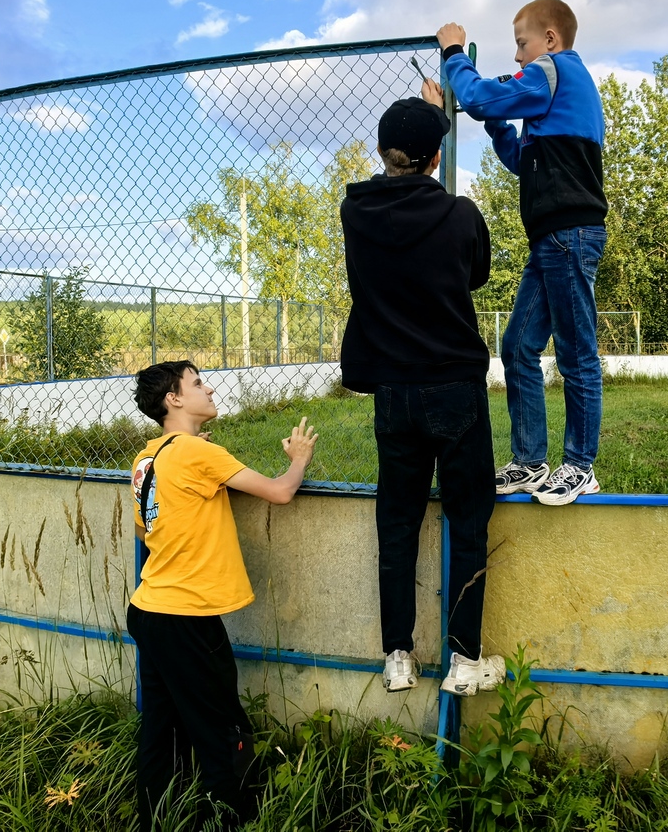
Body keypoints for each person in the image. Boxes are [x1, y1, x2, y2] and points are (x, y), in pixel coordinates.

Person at [338, 96, 505, 698]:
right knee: (468, 518)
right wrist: (445, 114)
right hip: (454, 386)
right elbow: (475, 274)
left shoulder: (354, 213)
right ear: (437, 158)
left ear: (382, 152)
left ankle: (398, 655)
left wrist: (427, 123)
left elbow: (398, 202)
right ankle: (465, 660)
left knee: (398, 520)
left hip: (394, 392)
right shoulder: (460, 215)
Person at [432, 0, 608, 506]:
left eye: (521, 44)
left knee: (577, 353)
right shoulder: (552, 93)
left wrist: (454, 54)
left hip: (570, 235)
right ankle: (531, 461)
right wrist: (495, 121)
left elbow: (485, 96)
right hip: (551, 240)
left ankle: (580, 465)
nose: (517, 57)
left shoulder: (554, 70)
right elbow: (517, 157)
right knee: (517, 346)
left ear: (550, 40)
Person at [127, 360, 316, 830]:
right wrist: (298, 459)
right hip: (185, 616)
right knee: (221, 730)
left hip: (149, 608)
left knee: (160, 730)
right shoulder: (196, 455)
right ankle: (231, 820)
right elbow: (279, 493)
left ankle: (155, 817)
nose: (208, 389)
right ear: (173, 399)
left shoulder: (149, 458)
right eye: (196, 383)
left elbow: (147, 526)